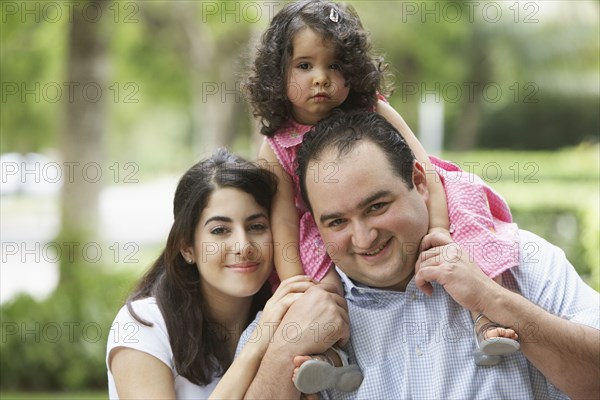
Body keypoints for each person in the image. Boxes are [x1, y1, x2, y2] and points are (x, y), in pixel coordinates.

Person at [245, 0, 518, 392]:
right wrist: (298, 287)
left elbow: (423, 168)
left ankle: (486, 316)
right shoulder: (277, 146)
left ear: (352, 70)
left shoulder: (372, 107)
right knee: (323, 286)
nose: (320, 78)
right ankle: (331, 356)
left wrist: (439, 230)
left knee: (466, 204)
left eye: (334, 66)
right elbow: (284, 221)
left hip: (409, 199)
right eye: (304, 66)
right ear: (278, 75)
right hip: (329, 227)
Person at [241, 111, 600, 399]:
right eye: (336, 222)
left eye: (377, 206)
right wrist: (283, 352)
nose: (364, 237)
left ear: (420, 181)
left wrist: (491, 297)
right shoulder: (293, 313)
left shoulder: (518, 262)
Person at [106, 148, 319, 399]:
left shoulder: (285, 315)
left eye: (257, 226)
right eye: (220, 230)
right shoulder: (143, 326)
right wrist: (258, 343)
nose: (243, 246)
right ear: (187, 247)